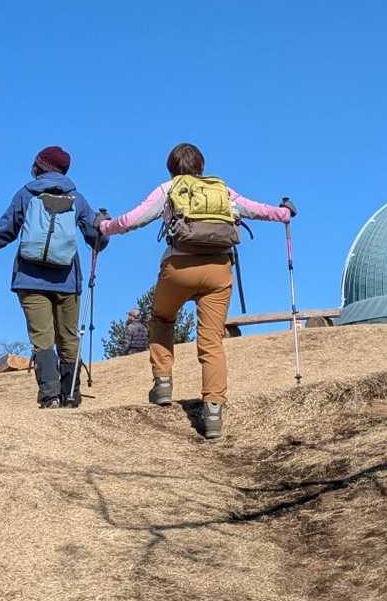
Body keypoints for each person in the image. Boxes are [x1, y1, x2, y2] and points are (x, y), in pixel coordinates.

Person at [99, 142, 294, 441]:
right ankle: (213, 410)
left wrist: (104, 226)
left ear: (171, 168)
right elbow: (256, 210)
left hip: (179, 268)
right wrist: (283, 212)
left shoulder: (168, 189)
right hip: (218, 269)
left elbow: (131, 220)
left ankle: (163, 383)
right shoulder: (222, 190)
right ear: (201, 166)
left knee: (162, 318)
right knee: (212, 340)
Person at [0, 146, 105, 409]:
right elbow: (97, 239)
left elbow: (4, 232)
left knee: (42, 338)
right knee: (68, 336)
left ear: (39, 166)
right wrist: (103, 224)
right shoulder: (77, 199)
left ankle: (49, 396)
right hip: (67, 280)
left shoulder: (26, 194)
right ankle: (71, 394)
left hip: (30, 278)